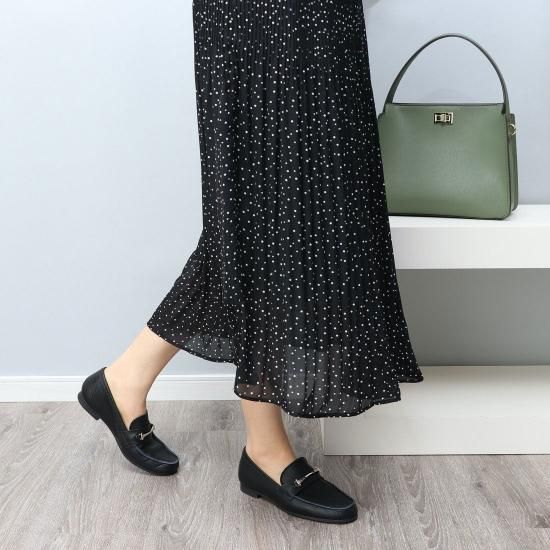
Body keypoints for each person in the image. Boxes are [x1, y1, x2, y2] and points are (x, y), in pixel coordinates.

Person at [78, 0, 423, 524]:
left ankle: (126, 379)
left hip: (322, 18)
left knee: (295, 216)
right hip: (264, 17)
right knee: (267, 222)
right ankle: (263, 448)